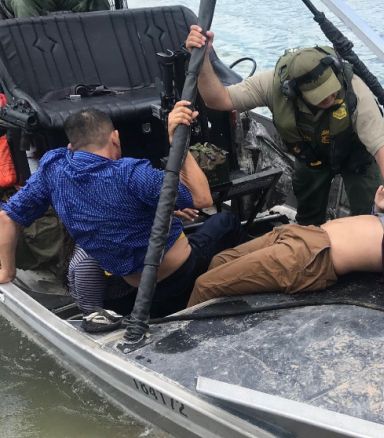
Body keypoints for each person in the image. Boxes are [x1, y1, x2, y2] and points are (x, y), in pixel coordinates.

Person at [0, 101, 242, 316]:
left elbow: (7, 217)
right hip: (180, 275)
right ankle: (238, 281)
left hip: (137, 292)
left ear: (71, 147)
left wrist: (7, 272)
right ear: (115, 137)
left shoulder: (53, 169)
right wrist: (179, 141)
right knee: (226, 221)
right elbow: (202, 198)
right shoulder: (131, 173)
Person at [185, 26, 384, 228]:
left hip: (354, 153)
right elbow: (218, 99)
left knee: (372, 215)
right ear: (294, 92)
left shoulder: (355, 92)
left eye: (332, 91)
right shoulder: (273, 84)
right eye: (321, 96)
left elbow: (383, 150)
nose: (330, 98)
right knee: (308, 220)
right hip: (311, 155)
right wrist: (204, 59)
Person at [188, 185, 384, 309]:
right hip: (302, 234)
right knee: (218, 261)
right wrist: (379, 208)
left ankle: (166, 338)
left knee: (206, 285)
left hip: (310, 258)